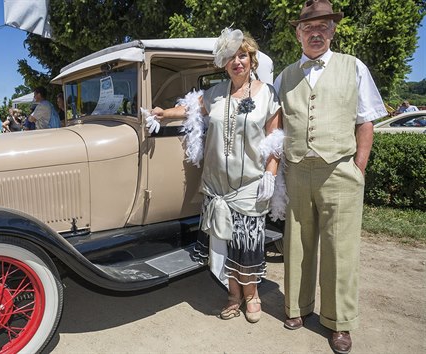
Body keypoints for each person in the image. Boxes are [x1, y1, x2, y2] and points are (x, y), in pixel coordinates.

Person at [273, 1, 387, 352]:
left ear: (333, 31)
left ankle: (339, 322)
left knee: (341, 250)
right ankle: (297, 307)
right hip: (298, 170)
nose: (316, 32)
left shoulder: (354, 67)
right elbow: (274, 122)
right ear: (298, 33)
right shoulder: (284, 76)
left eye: (323, 27)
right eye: (309, 27)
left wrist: (358, 166)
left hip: (340, 170)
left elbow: (365, 120)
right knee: (297, 245)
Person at [149, 29, 283, 324]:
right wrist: (163, 114)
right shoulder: (215, 93)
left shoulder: (267, 94)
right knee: (222, 242)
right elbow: (187, 110)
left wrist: (270, 175)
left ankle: (252, 295)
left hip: (250, 184)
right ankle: (233, 296)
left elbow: (276, 140)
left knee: (247, 243)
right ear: (224, 63)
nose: (238, 62)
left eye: (243, 55)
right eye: (232, 57)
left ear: (251, 59)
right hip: (217, 186)